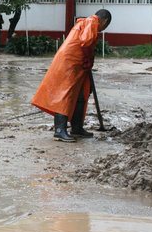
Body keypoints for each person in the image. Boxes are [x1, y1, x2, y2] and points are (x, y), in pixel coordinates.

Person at [31, 9, 112, 143]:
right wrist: (88, 57)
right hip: (70, 63)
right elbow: (86, 41)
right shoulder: (92, 21)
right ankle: (59, 130)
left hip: (75, 63)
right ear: (104, 21)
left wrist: (87, 59)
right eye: (105, 26)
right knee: (64, 94)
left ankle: (77, 128)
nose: (102, 29)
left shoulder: (85, 22)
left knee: (81, 94)